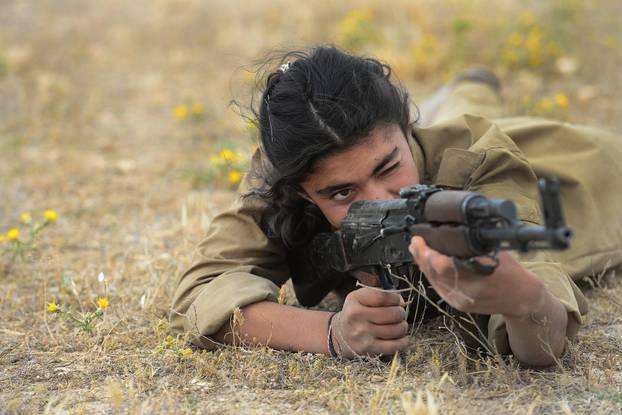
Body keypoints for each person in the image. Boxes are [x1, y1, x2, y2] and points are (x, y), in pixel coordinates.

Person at [170, 45, 622, 367]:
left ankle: (467, 93)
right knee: (456, 116)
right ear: (304, 192)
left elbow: (544, 340)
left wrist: (522, 299)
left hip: (585, 168)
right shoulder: (290, 172)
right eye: (343, 193)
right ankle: (469, 88)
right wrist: (331, 334)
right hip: (428, 138)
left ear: (407, 127)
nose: (380, 200)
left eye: (388, 169)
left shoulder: (481, 166)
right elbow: (198, 292)